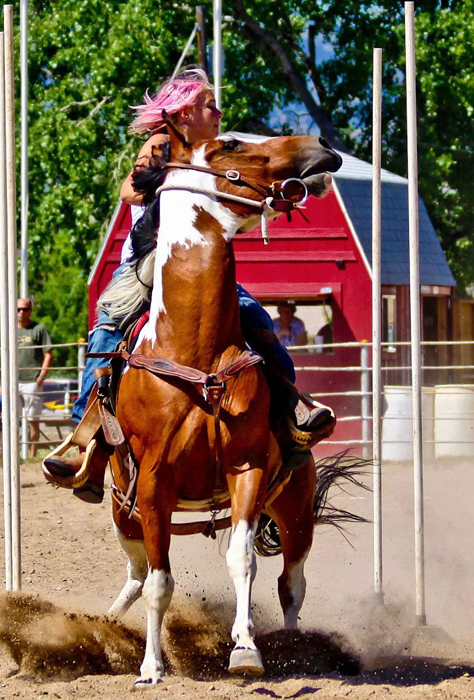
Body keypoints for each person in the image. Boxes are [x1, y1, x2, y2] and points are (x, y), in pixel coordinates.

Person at [44, 68, 334, 502]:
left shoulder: (216, 152)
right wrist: (173, 178)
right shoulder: (161, 144)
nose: (218, 112)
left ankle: (289, 410)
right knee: (109, 326)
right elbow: (128, 191)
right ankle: (88, 440)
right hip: (151, 262)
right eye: (209, 105)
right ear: (183, 113)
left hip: (202, 266)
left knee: (255, 319)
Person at [17, 298, 53, 457]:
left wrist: (42, 375)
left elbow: (48, 353)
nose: (21, 313)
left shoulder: (38, 329)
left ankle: (32, 454)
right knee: (12, 419)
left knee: (33, 420)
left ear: (30, 311)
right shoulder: (10, 329)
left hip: (32, 380)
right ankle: (14, 453)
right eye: (18, 309)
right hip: (14, 381)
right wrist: (2, 382)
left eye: (24, 309)